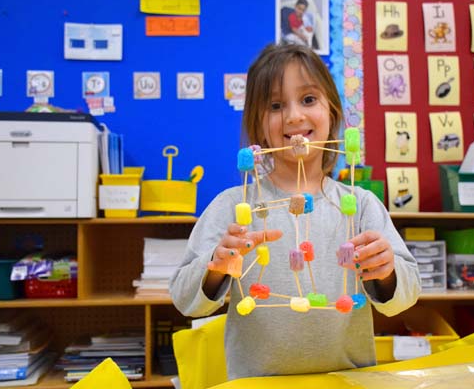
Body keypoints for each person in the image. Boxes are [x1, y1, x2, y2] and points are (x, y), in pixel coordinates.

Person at [169, 43, 421, 380]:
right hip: (258, 383)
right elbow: (184, 298)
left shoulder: (360, 206)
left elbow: (407, 294)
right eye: (275, 106)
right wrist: (216, 267)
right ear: (258, 127)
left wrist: (386, 272)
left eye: (308, 99)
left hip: (345, 381)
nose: (294, 117)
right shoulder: (234, 206)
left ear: (332, 112)